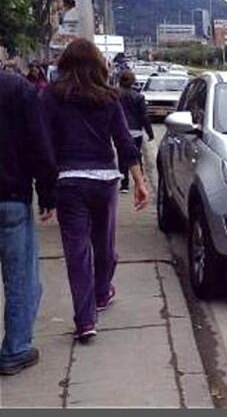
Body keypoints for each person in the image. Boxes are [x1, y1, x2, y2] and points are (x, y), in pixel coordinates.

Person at [42, 38, 150, 343]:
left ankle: (85, 319)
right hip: (104, 180)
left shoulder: (51, 98)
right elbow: (124, 143)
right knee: (104, 245)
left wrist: (46, 189)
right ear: (99, 65)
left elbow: (44, 145)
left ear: (65, 64)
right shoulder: (109, 98)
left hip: (68, 182)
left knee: (77, 252)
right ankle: (102, 291)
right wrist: (139, 181)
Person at [0, 70, 58, 375]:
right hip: (10, 196)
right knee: (21, 279)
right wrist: (47, 192)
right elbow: (39, 143)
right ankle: (15, 349)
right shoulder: (17, 88)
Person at [116, 70, 155, 193]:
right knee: (136, 154)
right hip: (136, 131)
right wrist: (150, 132)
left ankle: (124, 184)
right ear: (133, 82)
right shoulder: (138, 97)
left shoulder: (115, 96)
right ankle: (140, 178)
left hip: (120, 130)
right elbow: (144, 116)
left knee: (122, 156)